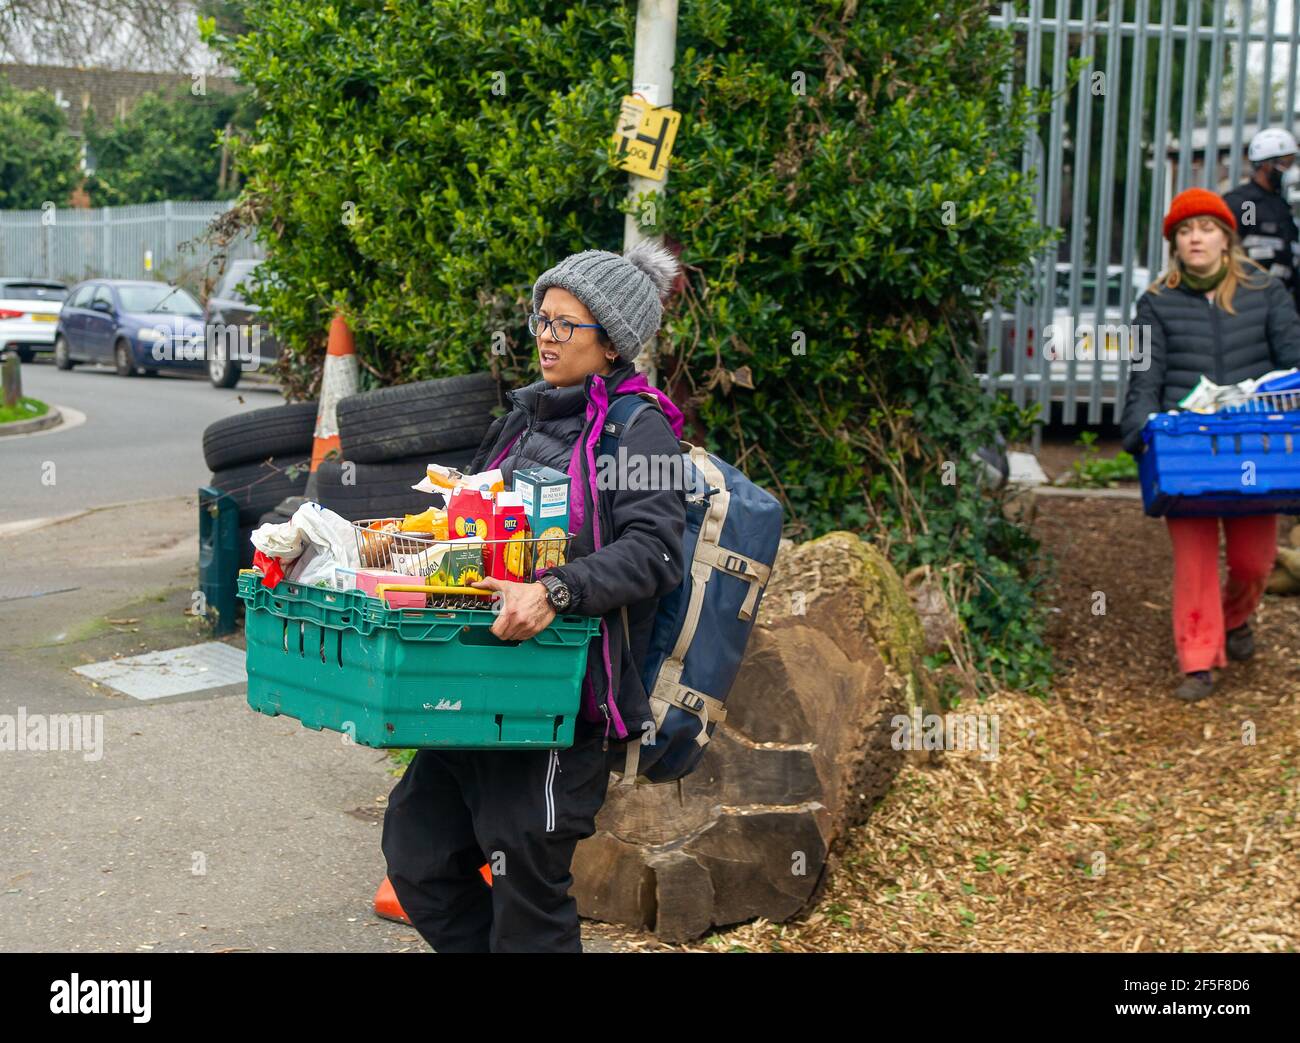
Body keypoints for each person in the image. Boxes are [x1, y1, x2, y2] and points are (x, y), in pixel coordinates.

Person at [381, 240, 688, 951]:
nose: (545, 338)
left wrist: (554, 589)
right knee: (418, 852)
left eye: (564, 325)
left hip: (564, 701)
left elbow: (656, 549)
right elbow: (476, 514)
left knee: (525, 879)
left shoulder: (637, 430)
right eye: (540, 320)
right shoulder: (524, 417)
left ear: (610, 344)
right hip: (476, 684)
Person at [1121, 187, 1300, 701]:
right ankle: (1197, 660)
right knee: (1195, 558)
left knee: (1254, 562)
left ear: (1226, 236)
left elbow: (1291, 362)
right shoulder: (1154, 302)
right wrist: (1139, 432)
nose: (1194, 238)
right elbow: (1143, 373)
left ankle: (1236, 618)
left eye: (1204, 228)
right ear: (1174, 243)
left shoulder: (1265, 292)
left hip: (1252, 446)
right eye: (1183, 231)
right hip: (1187, 449)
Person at [1222, 127, 1300, 313]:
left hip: (1283, 300)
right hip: (1251, 301)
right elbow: (1244, 240)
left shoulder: (1282, 205)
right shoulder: (1248, 204)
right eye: (1286, 163)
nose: (1291, 170)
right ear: (1266, 165)